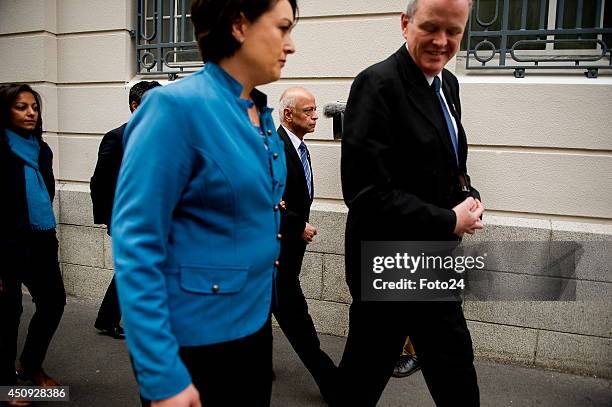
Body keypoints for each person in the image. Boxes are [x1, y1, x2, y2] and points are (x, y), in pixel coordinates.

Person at [111, 0, 298, 406]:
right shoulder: (175, 108)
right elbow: (136, 245)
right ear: (238, 25)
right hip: (196, 341)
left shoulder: (260, 113)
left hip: (254, 325)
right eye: (282, 28)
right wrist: (162, 378)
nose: (291, 44)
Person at [338, 0, 484, 405]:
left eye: (454, 32)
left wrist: (467, 196)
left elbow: (445, 162)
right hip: (388, 264)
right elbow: (365, 193)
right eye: (431, 28)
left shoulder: (447, 84)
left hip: (433, 262)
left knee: (455, 366)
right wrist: (447, 220)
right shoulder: (377, 84)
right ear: (405, 24)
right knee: (363, 376)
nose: (442, 42)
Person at [0, 84, 66, 407]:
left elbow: (47, 191)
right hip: (6, 243)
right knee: (7, 313)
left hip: (41, 237)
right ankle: (7, 384)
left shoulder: (42, 149)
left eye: (34, 107)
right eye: (21, 107)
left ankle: (29, 363)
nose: (30, 113)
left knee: (53, 302)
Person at [274, 87, 337, 402]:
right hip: (274, 252)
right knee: (295, 314)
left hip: (287, 250)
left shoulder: (300, 147)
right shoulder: (272, 148)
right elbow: (265, 197)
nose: (316, 116)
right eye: (309, 111)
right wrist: (296, 225)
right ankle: (331, 382)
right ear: (288, 114)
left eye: (315, 110)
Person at [90, 80, 161, 340]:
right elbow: (99, 182)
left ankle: (110, 318)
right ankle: (111, 319)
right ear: (135, 106)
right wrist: (110, 221)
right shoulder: (117, 138)